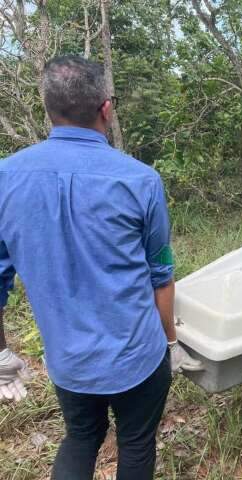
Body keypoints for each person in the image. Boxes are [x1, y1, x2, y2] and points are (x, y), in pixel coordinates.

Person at [0, 56, 203, 479]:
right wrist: (171, 344)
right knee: (135, 443)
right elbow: (161, 275)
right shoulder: (140, 180)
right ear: (106, 109)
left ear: (47, 108)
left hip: (69, 361)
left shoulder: (6, 177)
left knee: (81, 436)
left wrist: (2, 352)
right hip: (137, 357)